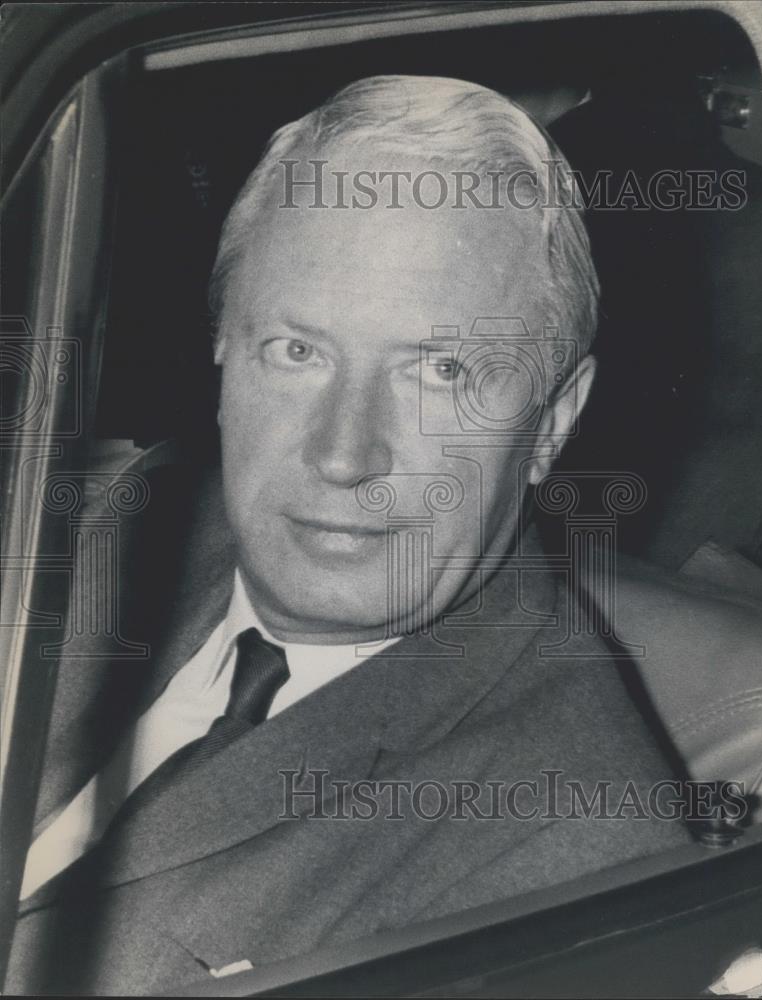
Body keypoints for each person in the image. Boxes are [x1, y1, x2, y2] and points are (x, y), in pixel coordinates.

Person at [9, 75, 693, 995]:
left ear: (555, 420)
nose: (342, 456)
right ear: (220, 349)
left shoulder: (570, 858)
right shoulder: (112, 527)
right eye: (298, 352)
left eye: (440, 371)